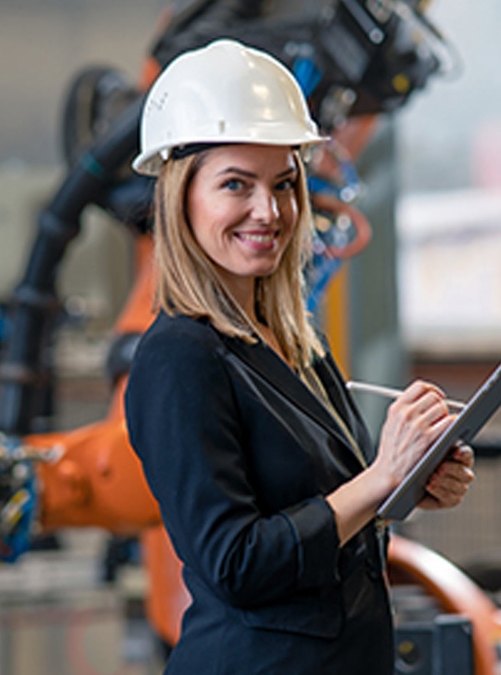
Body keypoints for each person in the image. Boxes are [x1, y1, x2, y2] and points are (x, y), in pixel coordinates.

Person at [124, 39, 475, 674]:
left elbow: (325, 511)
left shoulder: (295, 341)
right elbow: (237, 564)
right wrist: (379, 478)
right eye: (236, 185)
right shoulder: (179, 356)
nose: (270, 211)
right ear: (182, 197)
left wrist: (407, 484)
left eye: (285, 184)